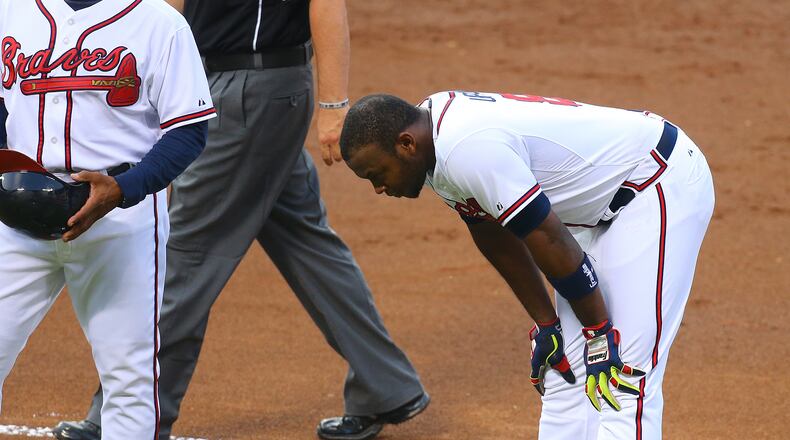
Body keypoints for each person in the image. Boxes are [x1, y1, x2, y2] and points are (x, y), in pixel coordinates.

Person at [53, 1, 428, 440]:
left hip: (248, 96)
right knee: (307, 244)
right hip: (233, 90)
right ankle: (384, 385)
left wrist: (334, 103)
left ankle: (127, 417)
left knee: (186, 260)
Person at [339, 91, 715, 440]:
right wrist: (546, 321)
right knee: (563, 370)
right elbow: (492, 231)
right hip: (589, 214)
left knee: (623, 378)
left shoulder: (467, 149)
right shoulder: (430, 144)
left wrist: (599, 331)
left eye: (377, 174)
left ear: (406, 145)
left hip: (653, 185)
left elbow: (549, 240)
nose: (378, 188)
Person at [0, 0, 215, 438]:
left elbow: (189, 131)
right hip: (15, 223)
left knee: (129, 380)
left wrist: (124, 189)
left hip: (120, 220)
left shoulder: (160, 24)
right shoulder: (10, 11)